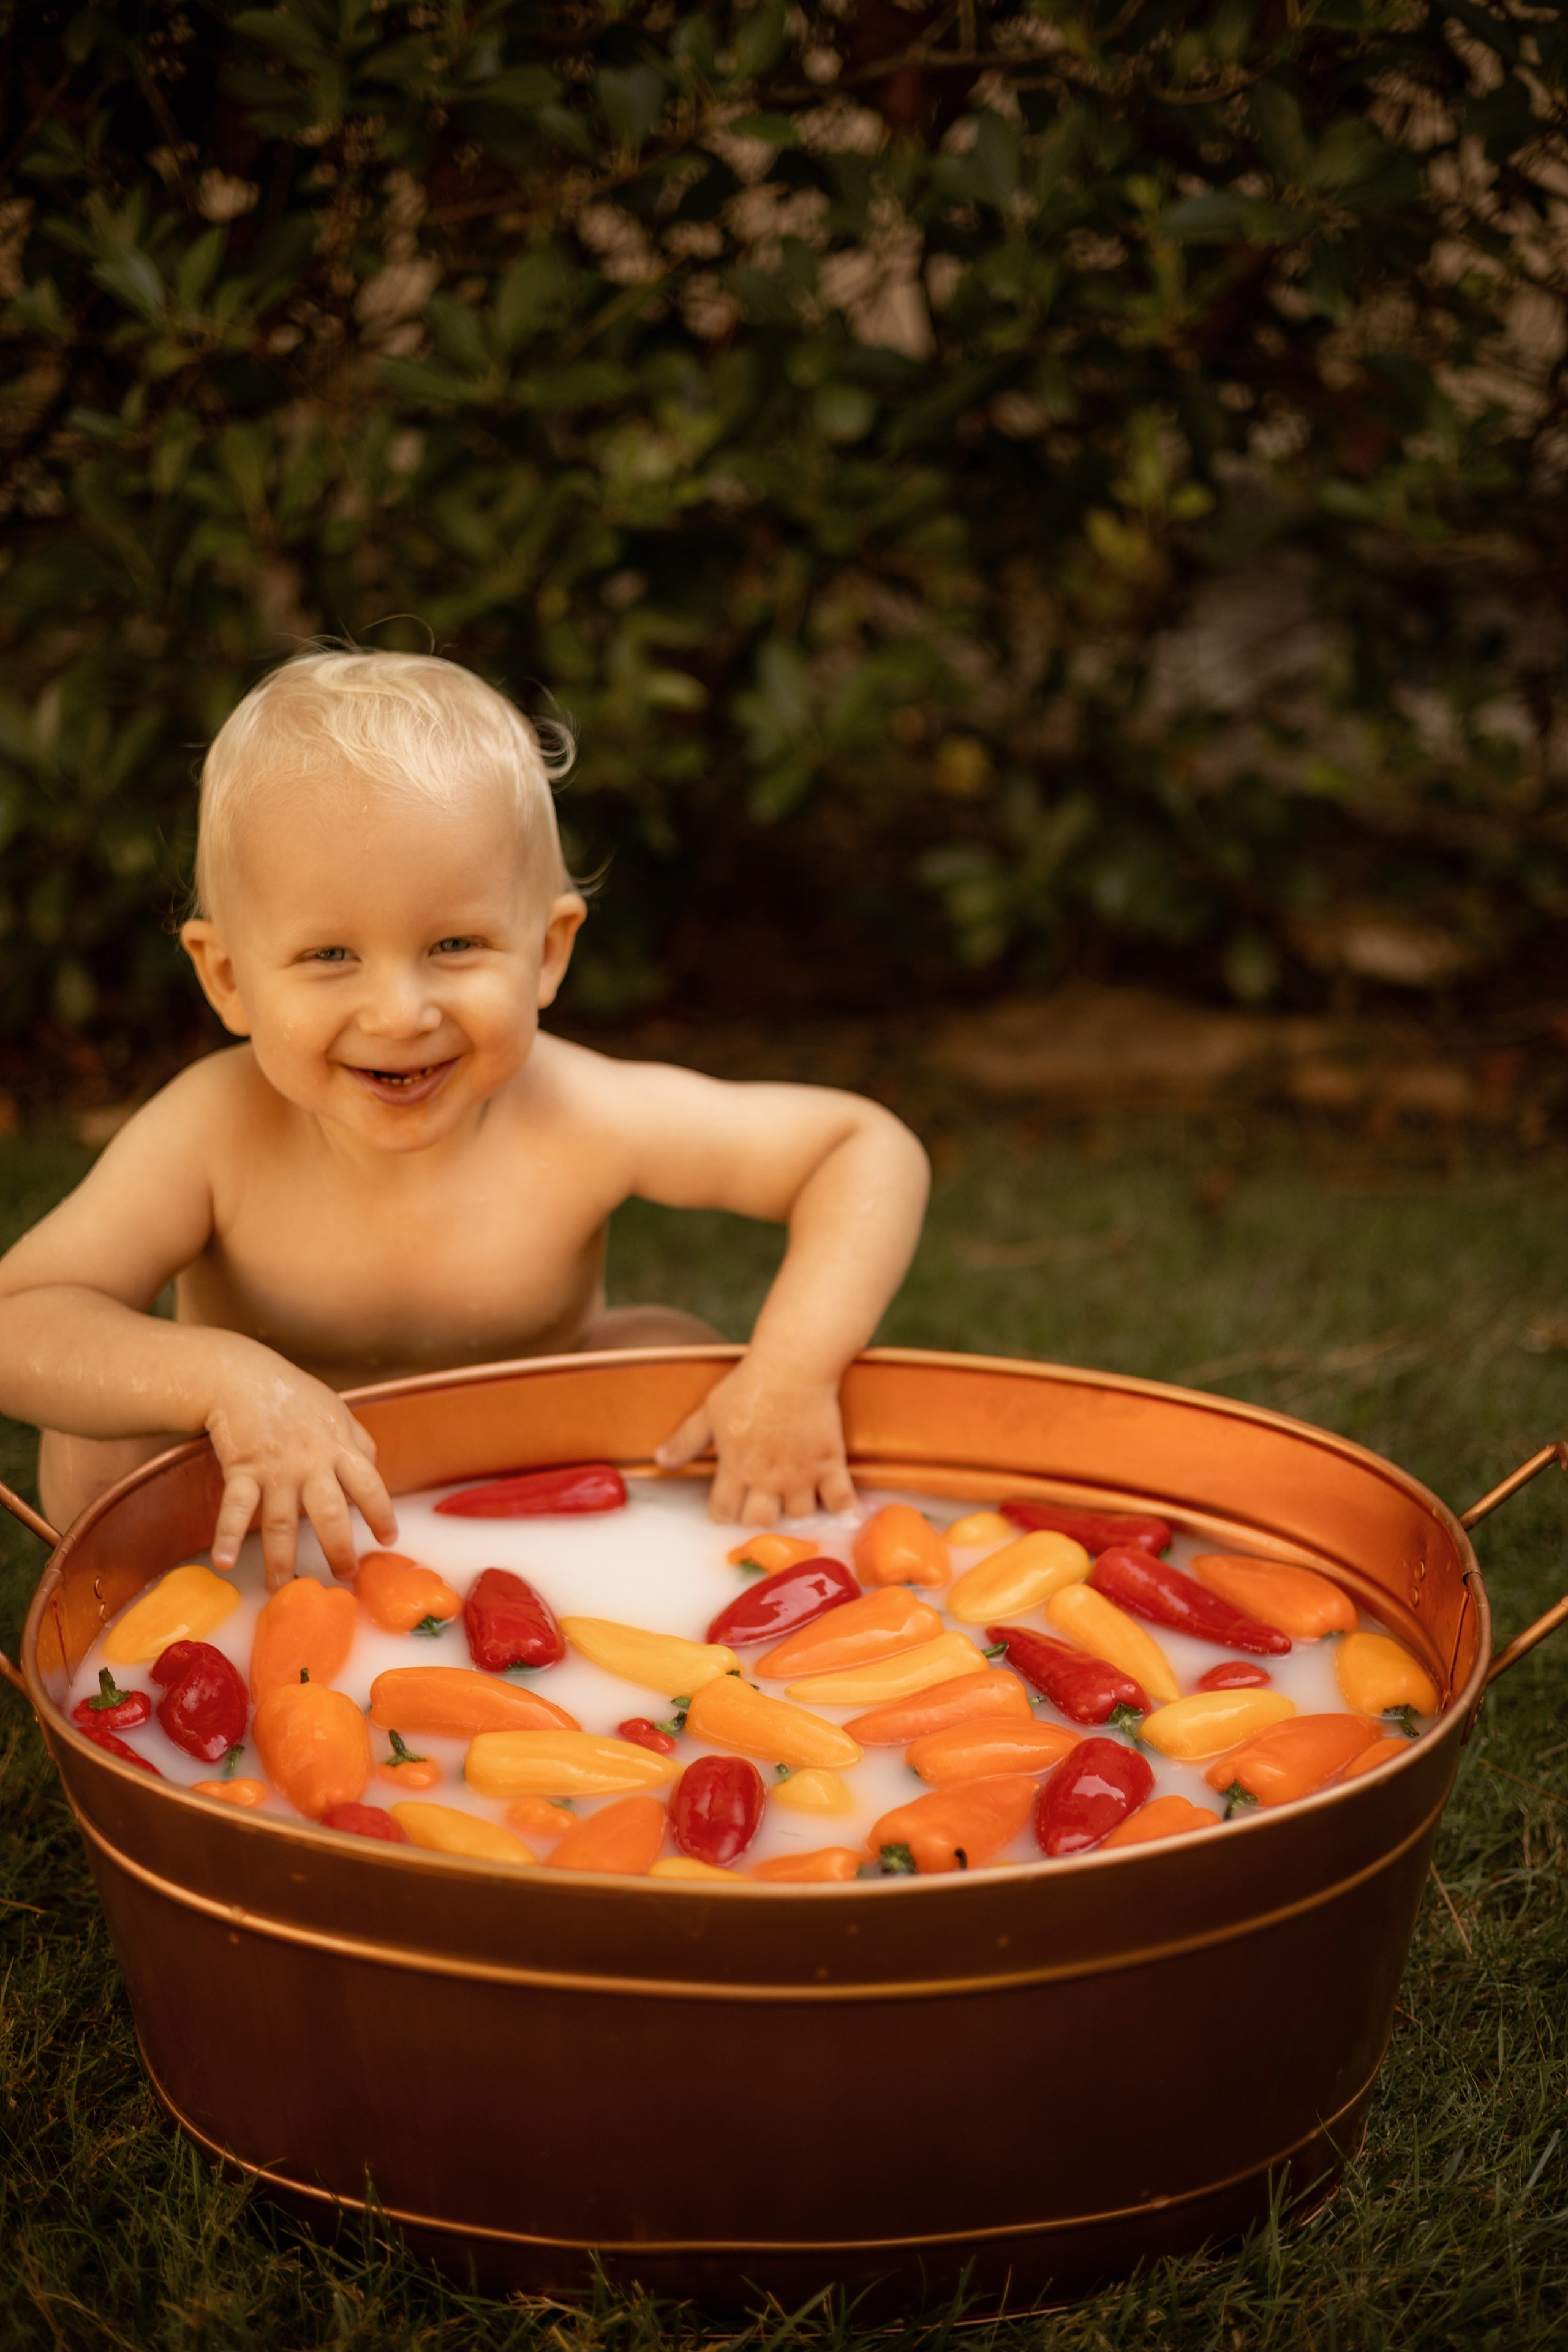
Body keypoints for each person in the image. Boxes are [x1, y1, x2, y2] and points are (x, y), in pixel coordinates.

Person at [0, 650, 929, 1586]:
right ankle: (139, 1640)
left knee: (668, 1357)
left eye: (455, 944)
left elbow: (860, 1149)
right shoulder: (213, 1132)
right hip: (263, 1504)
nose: (401, 1013)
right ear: (229, 978)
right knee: (97, 1427)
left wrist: (790, 1372)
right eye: (330, 954)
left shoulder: (580, 1113)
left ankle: (664, 1591)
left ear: (548, 951)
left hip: (525, 1483)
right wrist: (225, 1380)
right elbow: (19, 1318)